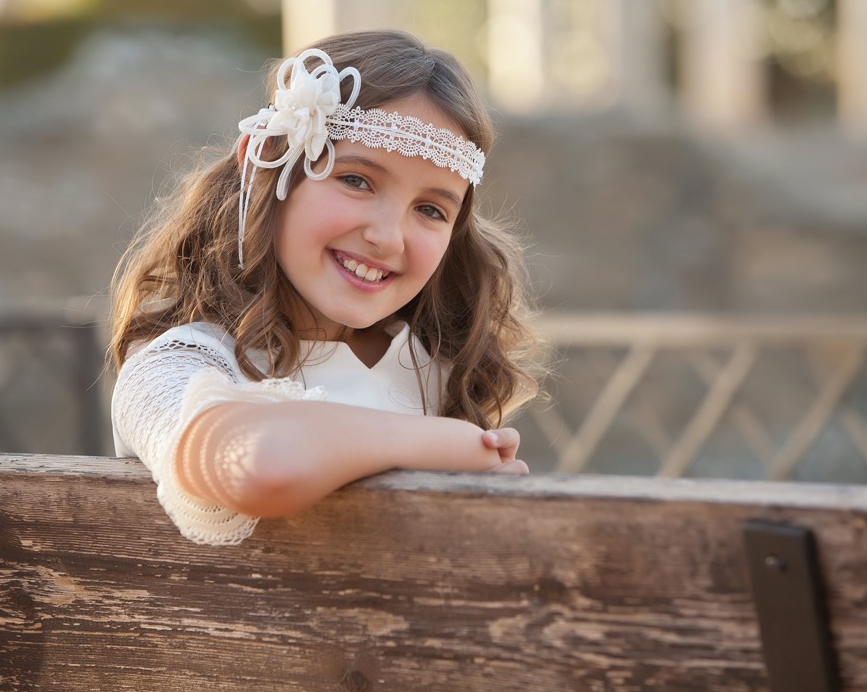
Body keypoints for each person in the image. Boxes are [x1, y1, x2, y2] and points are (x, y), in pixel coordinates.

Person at [109, 29, 545, 545]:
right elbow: (259, 465)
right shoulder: (174, 369)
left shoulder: (437, 373)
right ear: (264, 164)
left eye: (430, 209)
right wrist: (445, 442)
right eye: (356, 180)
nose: (387, 237)